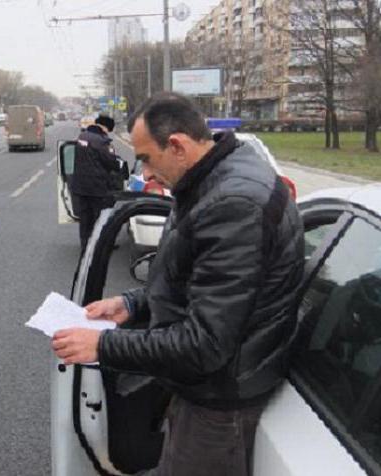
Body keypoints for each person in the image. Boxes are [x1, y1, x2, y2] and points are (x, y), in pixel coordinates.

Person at [52, 92, 304, 476]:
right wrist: (134, 304)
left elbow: (205, 343)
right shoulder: (214, 177)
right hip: (212, 386)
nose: (146, 175)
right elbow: (200, 281)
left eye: (148, 159)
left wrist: (102, 344)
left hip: (218, 404)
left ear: (178, 145)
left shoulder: (232, 204)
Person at [70, 114, 127, 251]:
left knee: (85, 219)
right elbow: (110, 162)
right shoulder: (102, 142)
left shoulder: (81, 137)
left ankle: (86, 246)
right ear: (106, 127)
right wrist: (119, 165)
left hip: (80, 186)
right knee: (101, 218)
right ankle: (101, 246)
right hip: (97, 187)